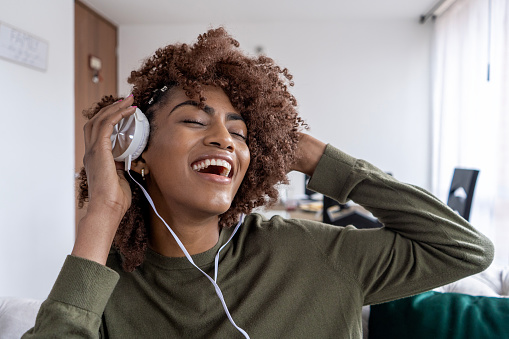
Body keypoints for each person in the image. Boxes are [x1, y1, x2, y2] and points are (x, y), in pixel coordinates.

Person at [23, 27, 493, 338]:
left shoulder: (315, 255)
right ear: (136, 150)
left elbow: (464, 249)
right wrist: (101, 213)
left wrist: (318, 158)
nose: (224, 139)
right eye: (193, 120)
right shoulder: (106, 285)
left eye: (241, 131)